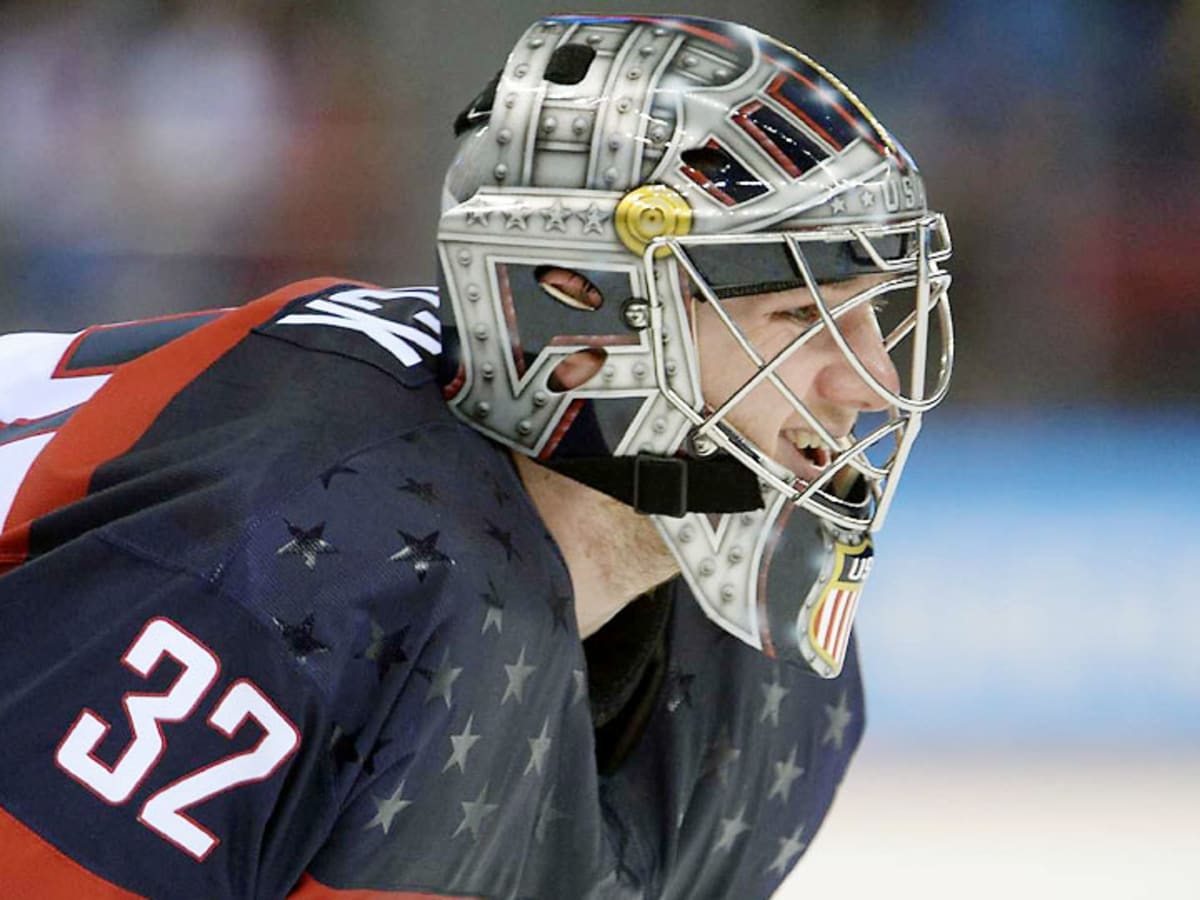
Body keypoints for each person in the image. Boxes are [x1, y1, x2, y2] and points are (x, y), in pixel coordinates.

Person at [0, 13, 953, 899]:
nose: (869, 380)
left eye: (877, 314)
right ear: (577, 320)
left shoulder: (764, 684)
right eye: (801, 317)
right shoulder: (294, 558)